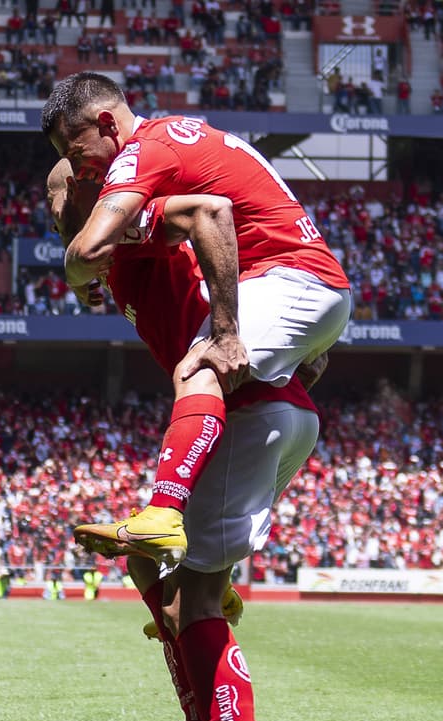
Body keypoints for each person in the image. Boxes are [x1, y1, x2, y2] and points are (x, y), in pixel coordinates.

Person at [45, 159, 329, 721]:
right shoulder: (118, 260)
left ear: (92, 192)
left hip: (256, 415)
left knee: (195, 599)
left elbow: (203, 215)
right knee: (150, 565)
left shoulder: (138, 220)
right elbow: (313, 358)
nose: (55, 214)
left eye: (59, 197)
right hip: (275, 413)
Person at [43, 72, 351, 572]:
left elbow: (198, 215)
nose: (82, 171)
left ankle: (164, 511)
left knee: (199, 367)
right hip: (299, 285)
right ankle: (190, 576)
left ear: (106, 123)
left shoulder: (142, 152)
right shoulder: (177, 139)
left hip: (292, 283)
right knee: (165, 578)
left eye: (77, 155)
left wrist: (227, 334)